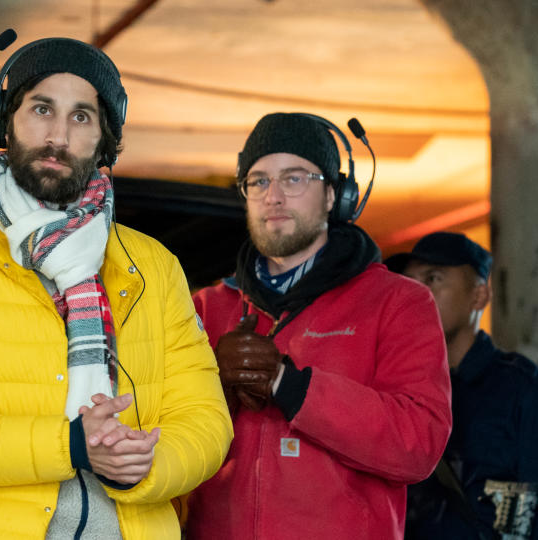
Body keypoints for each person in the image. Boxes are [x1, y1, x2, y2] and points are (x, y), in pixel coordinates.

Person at [0, 37, 233, 539]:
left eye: (81, 117)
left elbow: (207, 421)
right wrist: (72, 446)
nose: (58, 135)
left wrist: (145, 466)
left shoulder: (153, 267)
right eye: (42, 109)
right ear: (2, 121)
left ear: (104, 137)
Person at [184, 112, 453, 539]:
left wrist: (289, 386)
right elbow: (156, 435)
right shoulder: (203, 308)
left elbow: (418, 444)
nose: (274, 196)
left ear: (334, 195)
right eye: (259, 181)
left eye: (294, 179)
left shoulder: (399, 302)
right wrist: (211, 389)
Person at [386, 231, 538, 540]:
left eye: (433, 279)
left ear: (479, 295)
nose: (416, 294)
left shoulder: (525, 392)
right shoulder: (393, 389)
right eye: (409, 283)